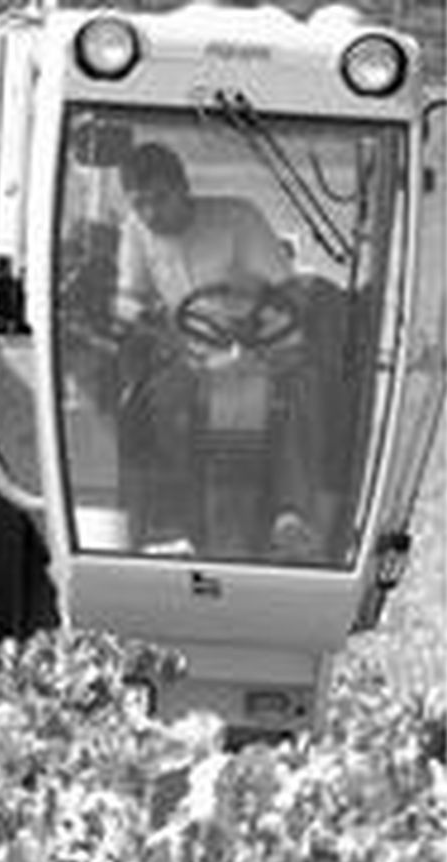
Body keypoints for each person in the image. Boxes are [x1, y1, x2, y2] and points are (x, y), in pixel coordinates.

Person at [112, 142, 324, 559]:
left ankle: (291, 514)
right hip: (192, 355)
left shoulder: (237, 219)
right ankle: (174, 520)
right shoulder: (136, 230)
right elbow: (126, 298)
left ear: (183, 188)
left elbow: (292, 293)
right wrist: (153, 322)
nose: (151, 213)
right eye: (140, 204)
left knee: (301, 391)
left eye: (160, 199)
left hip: (266, 347)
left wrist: (257, 332)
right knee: (153, 403)